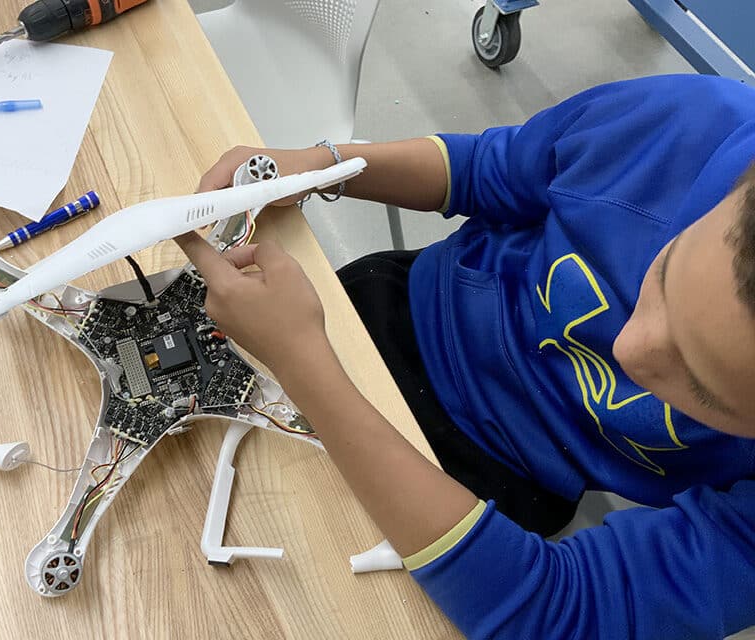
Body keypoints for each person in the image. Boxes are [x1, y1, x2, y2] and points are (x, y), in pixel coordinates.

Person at [174, 74, 755, 639]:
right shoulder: (685, 125)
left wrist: (301, 357)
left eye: (704, 388)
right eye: (665, 277)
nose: (628, 350)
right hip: (398, 307)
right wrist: (324, 166)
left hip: (495, 474)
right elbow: (486, 169)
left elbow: (562, 611)